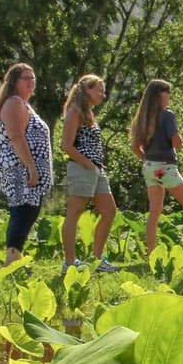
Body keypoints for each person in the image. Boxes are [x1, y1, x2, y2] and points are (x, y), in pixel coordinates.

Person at [130, 78, 183, 261]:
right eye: (167, 92)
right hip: (165, 167)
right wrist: (181, 142)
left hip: (149, 167)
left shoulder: (142, 118)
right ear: (159, 94)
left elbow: (135, 147)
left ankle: (152, 254)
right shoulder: (167, 115)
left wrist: (147, 159)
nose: (169, 96)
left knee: (155, 211)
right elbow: (177, 143)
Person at [0, 63, 53, 264]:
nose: (31, 82)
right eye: (26, 78)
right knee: (22, 210)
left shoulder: (24, 104)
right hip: (19, 167)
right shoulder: (14, 103)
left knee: (29, 210)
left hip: (27, 167)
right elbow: (16, 136)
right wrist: (31, 167)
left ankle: (15, 255)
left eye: (33, 78)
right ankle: (12, 257)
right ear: (14, 82)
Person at [60, 73, 119, 272]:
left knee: (109, 211)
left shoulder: (89, 113)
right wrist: (88, 164)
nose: (103, 94)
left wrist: (96, 165)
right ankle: (69, 262)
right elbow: (66, 145)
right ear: (87, 90)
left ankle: (97, 259)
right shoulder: (75, 111)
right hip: (82, 168)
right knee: (74, 213)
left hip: (95, 168)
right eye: (99, 90)